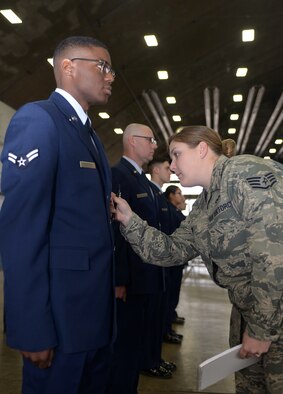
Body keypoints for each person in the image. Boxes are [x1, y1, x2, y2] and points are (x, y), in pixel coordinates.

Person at [112, 125, 283, 394]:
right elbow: (172, 250)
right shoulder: (204, 204)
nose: (172, 164)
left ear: (202, 149)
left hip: (275, 313)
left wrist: (262, 328)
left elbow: (274, 254)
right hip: (247, 312)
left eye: (177, 154)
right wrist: (129, 219)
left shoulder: (246, 173)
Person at [0, 36, 116, 394]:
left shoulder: (90, 137)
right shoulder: (39, 120)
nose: (111, 77)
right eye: (103, 67)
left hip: (92, 321)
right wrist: (30, 327)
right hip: (58, 323)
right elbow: (21, 231)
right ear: (68, 67)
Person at [107, 124, 172, 394]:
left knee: (136, 342)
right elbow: (115, 229)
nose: (155, 145)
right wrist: (119, 278)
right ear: (132, 141)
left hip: (146, 276)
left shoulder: (141, 179)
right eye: (150, 140)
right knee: (125, 346)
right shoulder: (118, 175)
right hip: (131, 280)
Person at [164, 185, 187, 331]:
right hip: (171, 259)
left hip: (178, 259)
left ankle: (171, 317)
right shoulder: (169, 211)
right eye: (179, 193)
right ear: (171, 196)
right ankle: (167, 326)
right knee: (170, 294)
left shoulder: (176, 211)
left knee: (174, 292)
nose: (182, 196)